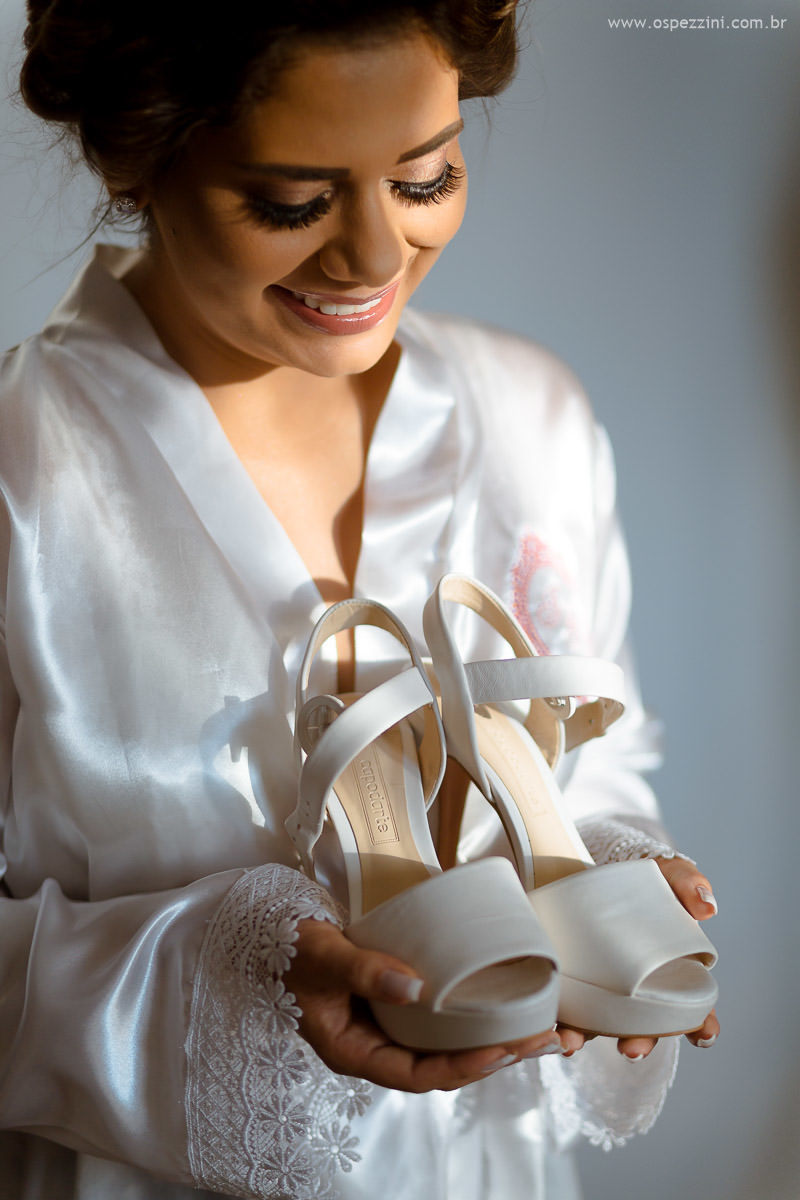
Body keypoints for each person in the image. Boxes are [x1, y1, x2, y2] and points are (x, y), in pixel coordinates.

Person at [0, 1, 719, 1196]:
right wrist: (222, 976)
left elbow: (606, 764)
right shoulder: (25, 476)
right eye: (294, 202)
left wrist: (607, 859)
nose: (375, 260)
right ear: (144, 155)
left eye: (426, 178)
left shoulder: (532, 418)